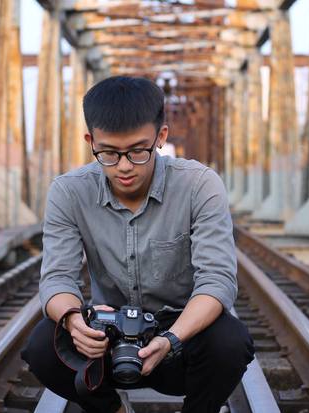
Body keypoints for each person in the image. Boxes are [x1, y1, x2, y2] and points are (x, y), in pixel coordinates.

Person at [21, 76, 255, 413]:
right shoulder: (69, 191)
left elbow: (217, 281)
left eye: (137, 151)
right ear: (91, 141)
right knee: (43, 346)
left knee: (229, 343)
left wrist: (170, 339)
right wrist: (74, 320)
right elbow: (57, 279)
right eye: (109, 153)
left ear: (161, 137)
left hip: (180, 335)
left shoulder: (199, 184)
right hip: (107, 341)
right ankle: (112, 410)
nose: (125, 166)